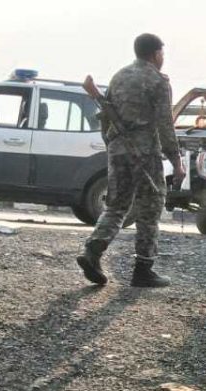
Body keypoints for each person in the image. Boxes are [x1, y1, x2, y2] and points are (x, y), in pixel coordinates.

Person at [76, 33, 184, 288]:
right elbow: (165, 124)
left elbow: (105, 118)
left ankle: (92, 251)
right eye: (162, 53)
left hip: (118, 149)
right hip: (144, 153)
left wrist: (112, 146)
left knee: (116, 205)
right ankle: (144, 268)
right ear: (156, 54)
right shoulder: (157, 81)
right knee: (151, 206)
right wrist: (176, 160)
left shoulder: (119, 76)